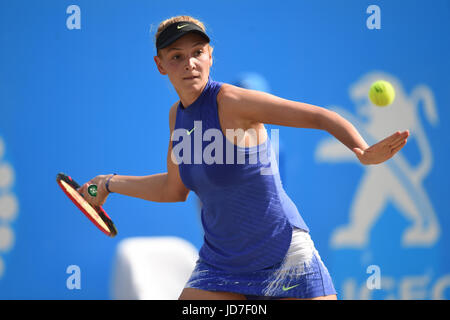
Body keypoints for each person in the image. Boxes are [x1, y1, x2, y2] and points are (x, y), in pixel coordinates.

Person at [77, 15, 409, 300]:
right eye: (176, 56)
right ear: (160, 65)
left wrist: (361, 151)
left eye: (197, 53)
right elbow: (172, 190)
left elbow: (318, 116)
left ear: (210, 56)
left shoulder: (234, 101)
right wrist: (109, 183)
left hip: (282, 253)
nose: (189, 63)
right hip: (220, 263)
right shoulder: (176, 116)